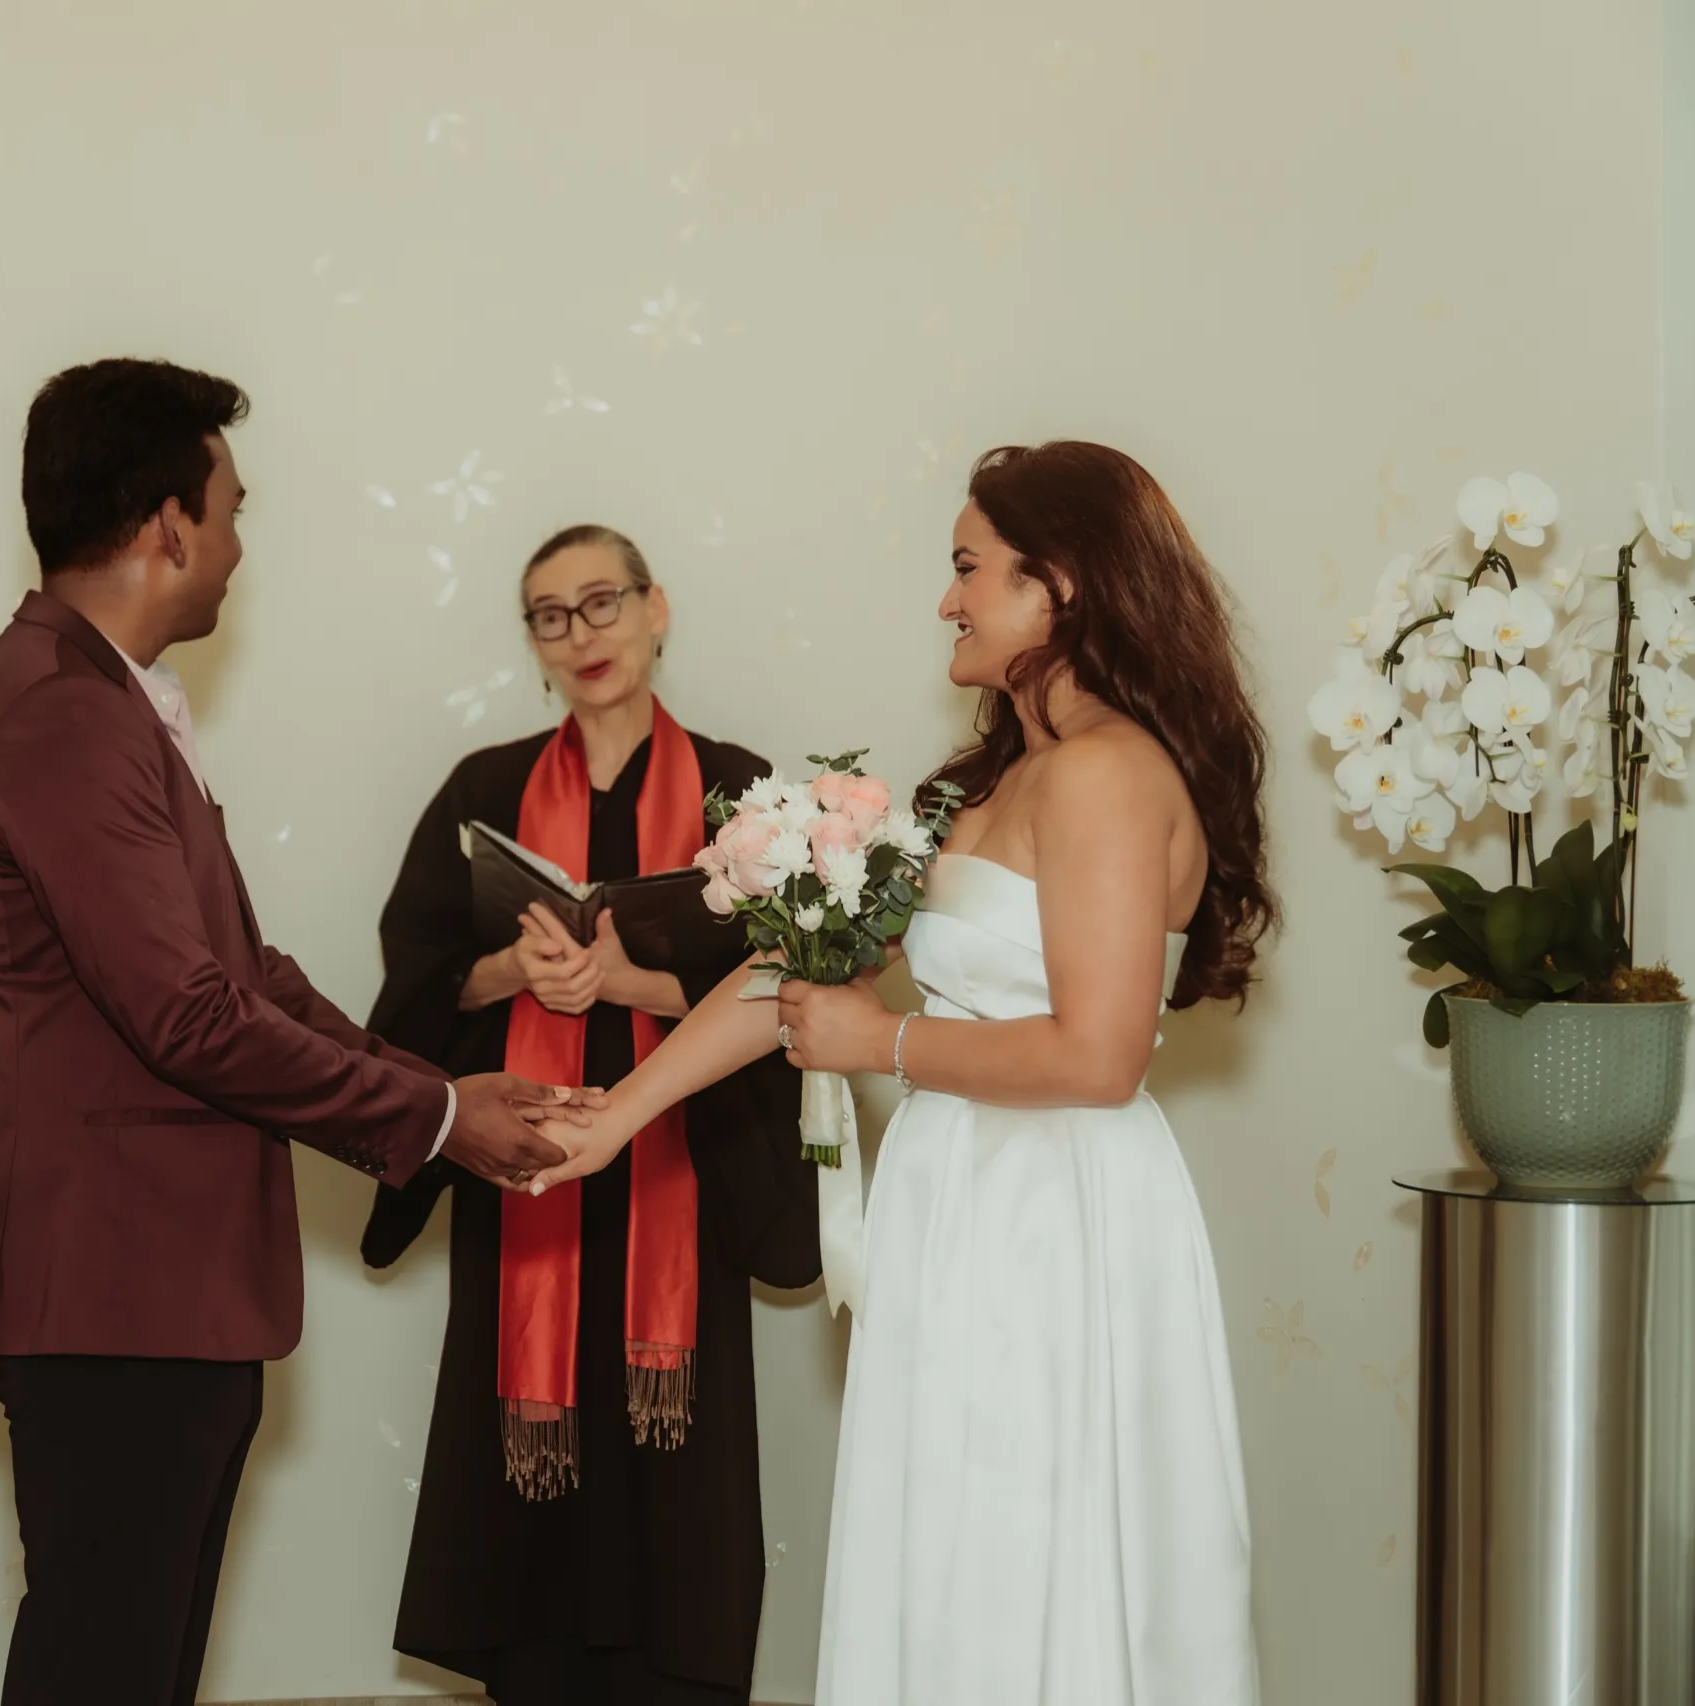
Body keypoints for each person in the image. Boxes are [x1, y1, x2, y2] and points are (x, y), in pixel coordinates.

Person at [527, 444, 1276, 1704]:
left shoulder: (1104, 773)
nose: (948, 599)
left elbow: (1096, 1056)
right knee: (949, 1542)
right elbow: (791, 975)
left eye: (969, 568)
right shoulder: (1003, 781)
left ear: (1064, 583)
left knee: (1026, 1539)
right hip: (963, 1197)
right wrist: (619, 1115)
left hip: (1051, 1214)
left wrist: (882, 1044)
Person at [0, 358, 585, 1706]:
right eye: (230, 507)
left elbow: (247, 971)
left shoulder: (93, 695)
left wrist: (439, 1091)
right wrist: (443, 1119)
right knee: (104, 1666)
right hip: (114, 1285)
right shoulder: (62, 711)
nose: (238, 544)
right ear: (166, 524)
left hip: (147, 1282)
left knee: (135, 1662)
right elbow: (189, 1012)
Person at [360, 524, 821, 1706]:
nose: (583, 634)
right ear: (533, 644)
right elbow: (416, 981)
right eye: (550, 615)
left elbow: (788, 986)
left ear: (657, 608)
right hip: (524, 1177)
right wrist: (514, 973)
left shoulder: (738, 794)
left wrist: (626, 985)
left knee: (672, 1485)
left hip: (683, 1175)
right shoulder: (485, 791)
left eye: (602, 602)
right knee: (534, 1524)